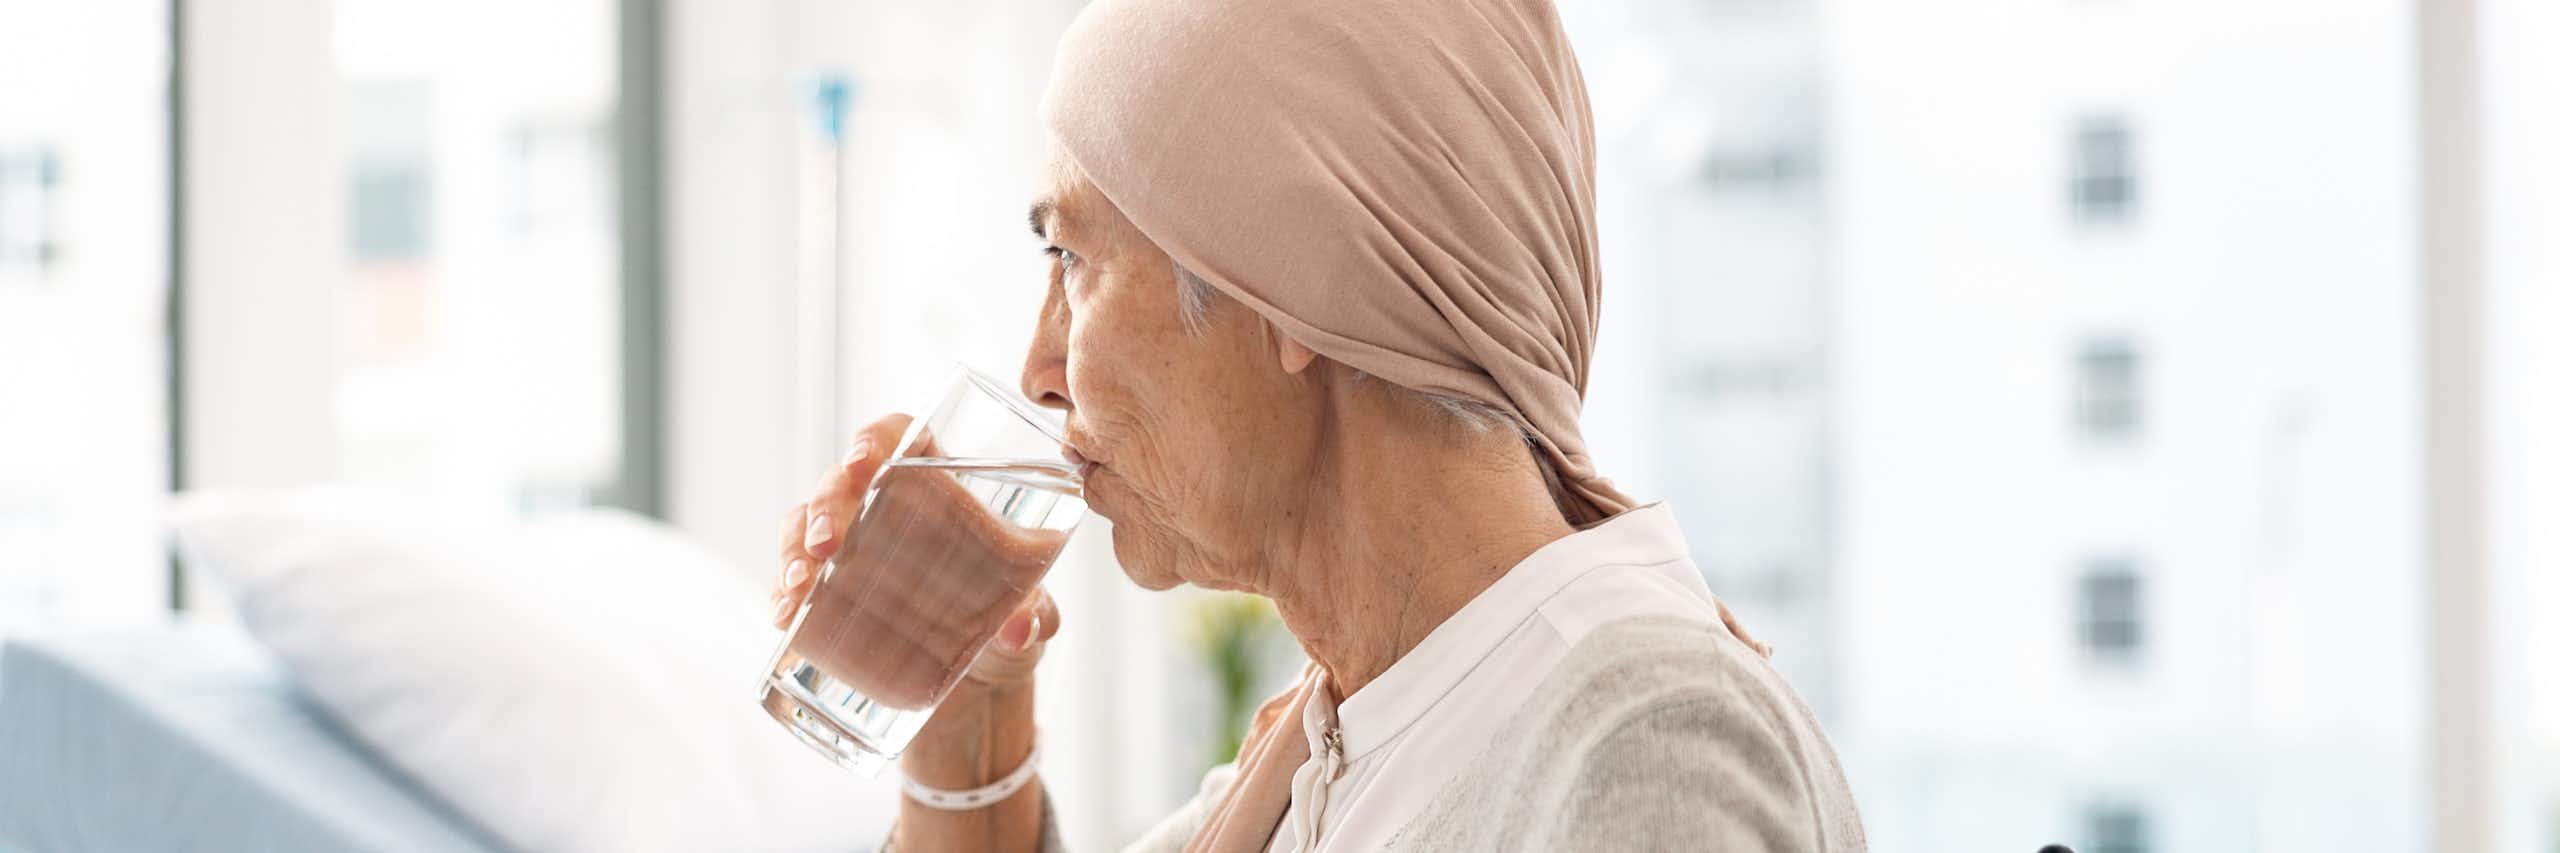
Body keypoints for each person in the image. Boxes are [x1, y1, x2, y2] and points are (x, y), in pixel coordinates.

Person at [770, 0, 1867, 849]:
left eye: (1075, 261)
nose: (1040, 369)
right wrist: (971, 714)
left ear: (1295, 287)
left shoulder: (1642, 739)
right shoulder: (1330, 753)